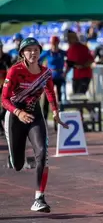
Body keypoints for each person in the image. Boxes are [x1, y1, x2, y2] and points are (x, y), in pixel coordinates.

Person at [2, 37, 68, 212]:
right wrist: (18, 112)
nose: (33, 53)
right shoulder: (14, 71)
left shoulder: (45, 73)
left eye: (36, 50)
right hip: (15, 116)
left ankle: (39, 198)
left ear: (40, 52)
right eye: (29, 50)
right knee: (17, 164)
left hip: (35, 115)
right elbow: (4, 99)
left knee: (42, 153)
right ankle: (14, 156)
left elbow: (50, 92)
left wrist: (55, 113)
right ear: (22, 53)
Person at [39, 35, 67, 121]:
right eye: (52, 44)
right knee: (47, 98)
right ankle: (45, 118)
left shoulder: (62, 52)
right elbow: (37, 60)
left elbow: (71, 60)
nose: (54, 45)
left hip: (59, 77)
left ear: (58, 43)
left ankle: (60, 116)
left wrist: (65, 72)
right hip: (49, 78)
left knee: (60, 98)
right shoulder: (47, 53)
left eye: (56, 43)